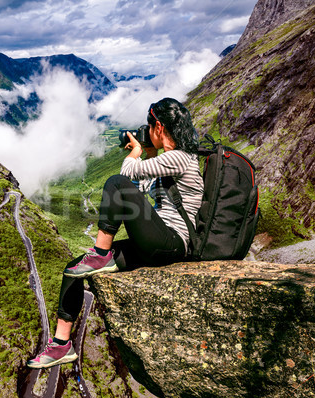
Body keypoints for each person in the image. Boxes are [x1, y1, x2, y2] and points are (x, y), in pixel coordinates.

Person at [27, 97, 204, 369]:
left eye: (149, 126)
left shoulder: (181, 157)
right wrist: (149, 155)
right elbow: (138, 191)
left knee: (115, 182)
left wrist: (135, 152)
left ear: (158, 126)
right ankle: (62, 345)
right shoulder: (171, 161)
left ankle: (101, 253)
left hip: (173, 242)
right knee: (74, 268)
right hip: (159, 241)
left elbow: (125, 175)